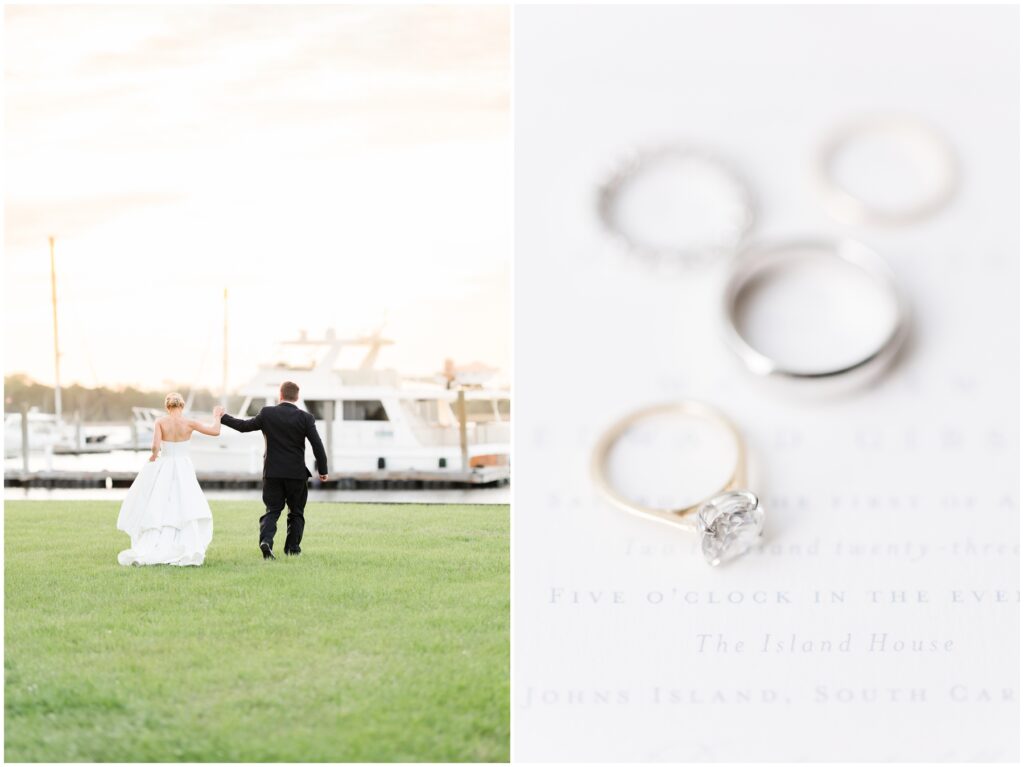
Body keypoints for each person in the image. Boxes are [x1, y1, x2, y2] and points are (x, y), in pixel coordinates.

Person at [220, 380, 328, 559]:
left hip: (272, 473)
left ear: (280, 395)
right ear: (297, 397)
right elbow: (317, 445)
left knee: (272, 510)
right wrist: (323, 470)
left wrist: (223, 418)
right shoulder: (306, 418)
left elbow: (244, 427)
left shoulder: (267, 413)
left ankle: (266, 541)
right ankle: (292, 549)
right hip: (296, 474)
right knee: (296, 512)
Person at [116, 393, 224, 566]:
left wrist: (153, 456)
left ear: (168, 407)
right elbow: (215, 431)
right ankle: (184, 542)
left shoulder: (160, 422)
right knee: (184, 503)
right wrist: (217, 416)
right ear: (181, 406)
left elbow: (155, 446)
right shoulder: (189, 422)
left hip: (165, 466)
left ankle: (156, 543)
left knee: (162, 503)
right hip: (183, 467)